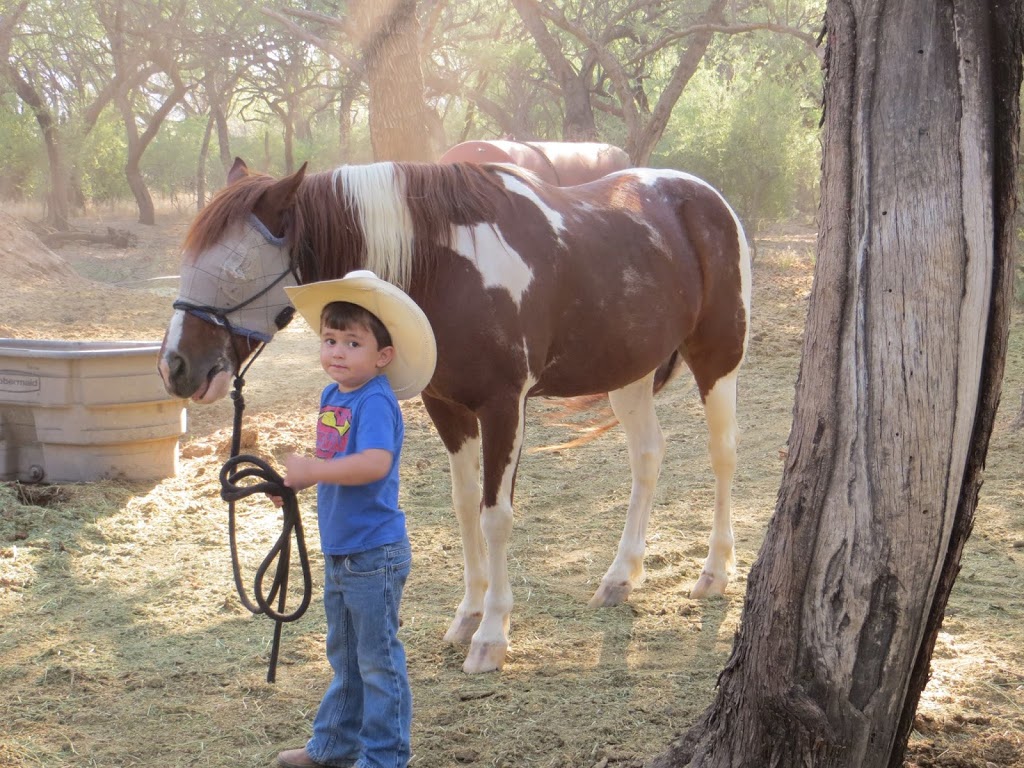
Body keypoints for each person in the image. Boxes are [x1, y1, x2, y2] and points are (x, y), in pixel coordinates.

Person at [274, 270, 436, 768]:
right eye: (329, 340)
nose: (337, 352)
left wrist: (315, 469)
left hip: (373, 553)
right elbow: (336, 462)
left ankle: (385, 758)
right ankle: (333, 746)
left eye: (352, 342)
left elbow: (374, 464)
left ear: (383, 355)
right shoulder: (333, 397)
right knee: (345, 658)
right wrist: (300, 482)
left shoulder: (376, 400)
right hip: (341, 549)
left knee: (377, 662)